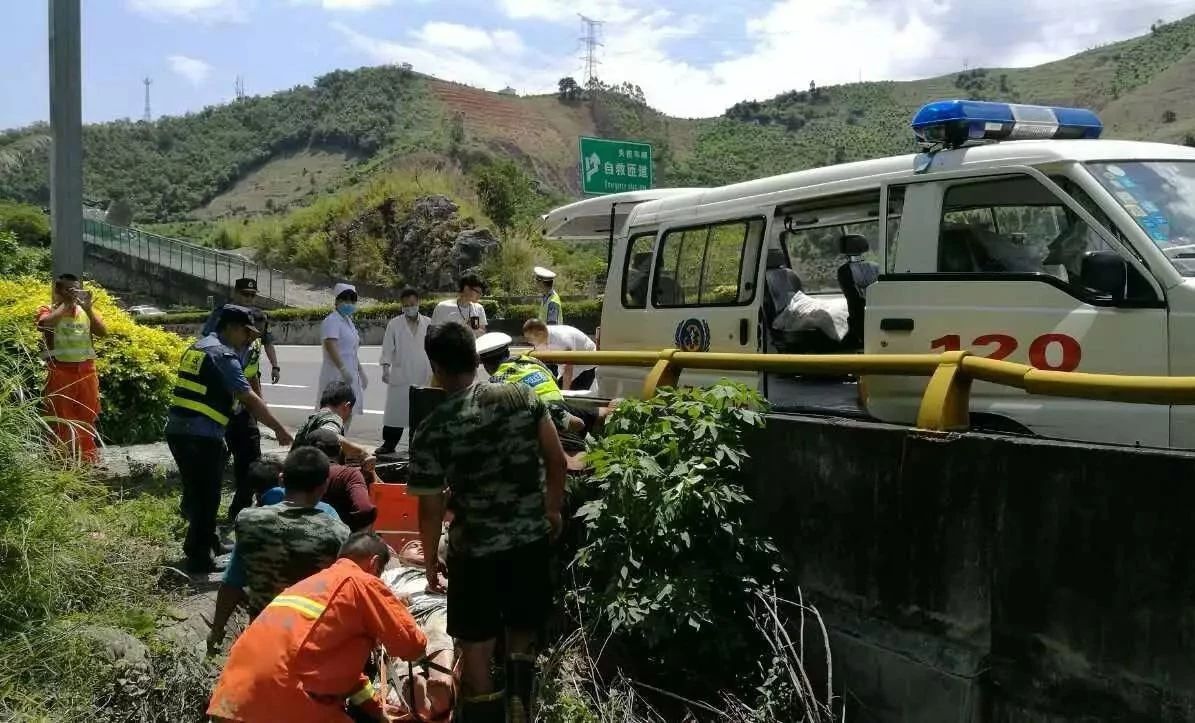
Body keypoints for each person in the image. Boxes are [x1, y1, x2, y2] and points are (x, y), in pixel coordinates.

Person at [410, 322, 568, 723]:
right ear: (476, 359)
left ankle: (485, 708)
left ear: (436, 367)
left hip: (473, 549)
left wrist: (430, 561)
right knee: (521, 621)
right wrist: (552, 510)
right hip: (529, 536)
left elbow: (429, 510)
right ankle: (520, 694)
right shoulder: (521, 396)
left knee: (475, 641)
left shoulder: (433, 427)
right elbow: (556, 460)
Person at [208, 532, 428, 723]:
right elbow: (412, 647)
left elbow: (345, 677)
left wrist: (376, 708)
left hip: (231, 700)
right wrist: (398, 610)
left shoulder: (308, 586)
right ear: (374, 563)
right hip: (284, 703)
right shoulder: (361, 581)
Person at [166, 305, 295, 574]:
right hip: (199, 434)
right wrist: (280, 429)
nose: (249, 339)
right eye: (246, 332)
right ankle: (199, 558)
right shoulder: (222, 355)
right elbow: (248, 398)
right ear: (232, 328)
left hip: (183, 430)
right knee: (207, 497)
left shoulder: (199, 347)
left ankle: (207, 542)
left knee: (200, 492)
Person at [207, 446, 351, 655]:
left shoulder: (249, 521)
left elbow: (232, 582)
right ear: (324, 486)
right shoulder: (338, 531)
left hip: (263, 637)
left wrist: (217, 630)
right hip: (313, 641)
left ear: (282, 479)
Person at [36, 274, 107, 463]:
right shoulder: (48, 309)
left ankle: (87, 460)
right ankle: (60, 460)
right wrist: (66, 304)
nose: (74, 294)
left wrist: (89, 309)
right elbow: (44, 324)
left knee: (87, 415)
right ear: (58, 291)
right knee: (60, 416)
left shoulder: (85, 311)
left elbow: (103, 332)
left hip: (86, 372)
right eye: (69, 290)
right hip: (60, 372)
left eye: (76, 289)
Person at [477, 332, 584, 436]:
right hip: (564, 406)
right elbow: (553, 379)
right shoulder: (532, 361)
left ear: (485, 364)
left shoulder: (496, 381)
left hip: (542, 423)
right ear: (508, 352)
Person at [224, 308, 269, 524]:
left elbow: (252, 376)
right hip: (221, 414)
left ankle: (242, 509)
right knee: (218, 464)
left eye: (257, 334)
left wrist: (260, 406)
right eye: (250, 333)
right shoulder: (223, 349)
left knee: (252, 460)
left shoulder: (254, 345)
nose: (253, 338)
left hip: (244, 410)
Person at [378, 287, 432, 455]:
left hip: (424, 372)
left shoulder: (429, 323)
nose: (410, 307)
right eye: (406, 305)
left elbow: (434, 347)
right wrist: (385, 368)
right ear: (401, 305)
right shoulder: (394, 324)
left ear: (418, 303)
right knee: (396, 411)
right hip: (401, 373)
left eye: (412, 304)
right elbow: (387, 348)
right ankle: (389, 443)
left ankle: (417, 446)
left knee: (421, 413)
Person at [293, 427, 378, 532]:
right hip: (339, 541)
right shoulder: (348, 474)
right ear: (340, 451)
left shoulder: (293, 473)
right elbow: (365, 510)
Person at [201, 277, 281, 385]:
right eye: (245, 294)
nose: (249, 298)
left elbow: (267, 343)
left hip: (251, 377)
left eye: (253, 295)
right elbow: (207, 342)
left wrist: (275, 367)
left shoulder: (259, 317)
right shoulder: (221, 313)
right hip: (225, 372)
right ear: (235, 293)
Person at [319, 283, 367, 433]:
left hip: (349, 374)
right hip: (336, 374)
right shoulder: (332, 320)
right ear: (336, 301)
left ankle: (341, 445)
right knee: (334, 414)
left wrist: (361, 371)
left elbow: (352, 351)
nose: (349, 304)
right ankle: (331, 446)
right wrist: (342, 368)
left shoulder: (348, 322)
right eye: (345, 300)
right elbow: (330, 344)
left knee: (348, 411)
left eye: (352, 300)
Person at [295, 381, 371, 461]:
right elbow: (326, 435)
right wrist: (361, 451)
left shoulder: (312, 419)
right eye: (351, 411)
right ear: (347, 406)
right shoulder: (333, 418)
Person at [522, 318, 597, 391]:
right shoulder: (542, 336)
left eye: (529, 338)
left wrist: (564, 393)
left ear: (540, 334)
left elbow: (568, 369)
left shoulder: (562, 340)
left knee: (572, 397)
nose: (528, 341)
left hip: (586, 365)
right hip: (564, 366)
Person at [430, 273, 487, 337]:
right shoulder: (442, 307)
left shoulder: (479, 308)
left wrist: (473, 329)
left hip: (473, 346)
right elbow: (433, 333)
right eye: (478, 292)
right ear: (466, 288)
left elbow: (482, 334)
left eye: (482, 293)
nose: (480, 295)